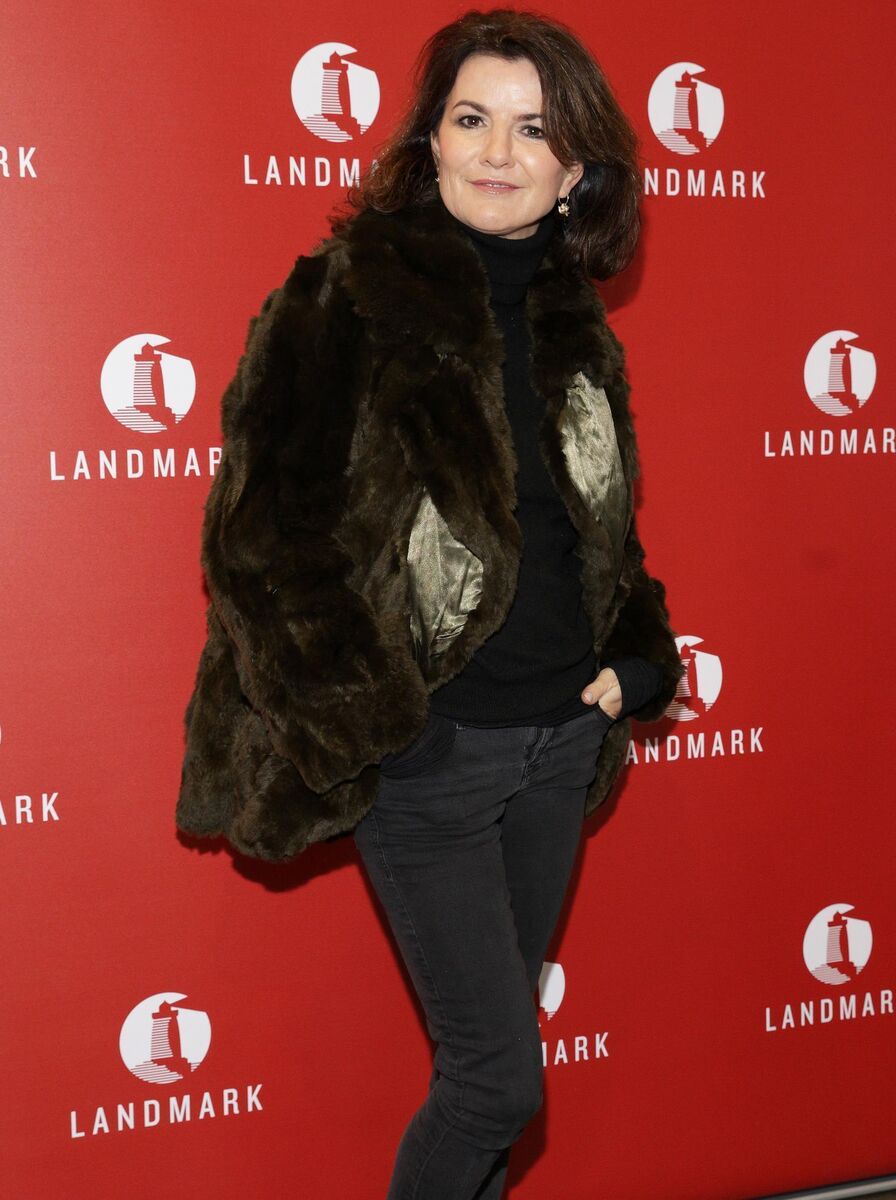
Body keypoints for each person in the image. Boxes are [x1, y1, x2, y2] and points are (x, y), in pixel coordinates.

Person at [177, 8, 684, 1198]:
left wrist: (638, 658)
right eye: (470, 119)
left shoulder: (570, 319)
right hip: (432, 758)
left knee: (480, 1081)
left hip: (558, 746)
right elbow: (262, 543)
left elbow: (597, 533)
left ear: (578, 170)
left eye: (533, 129)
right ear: (430, 140)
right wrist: (383, 730)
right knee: (499, 1084)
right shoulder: (344, 300)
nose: (497, 152)